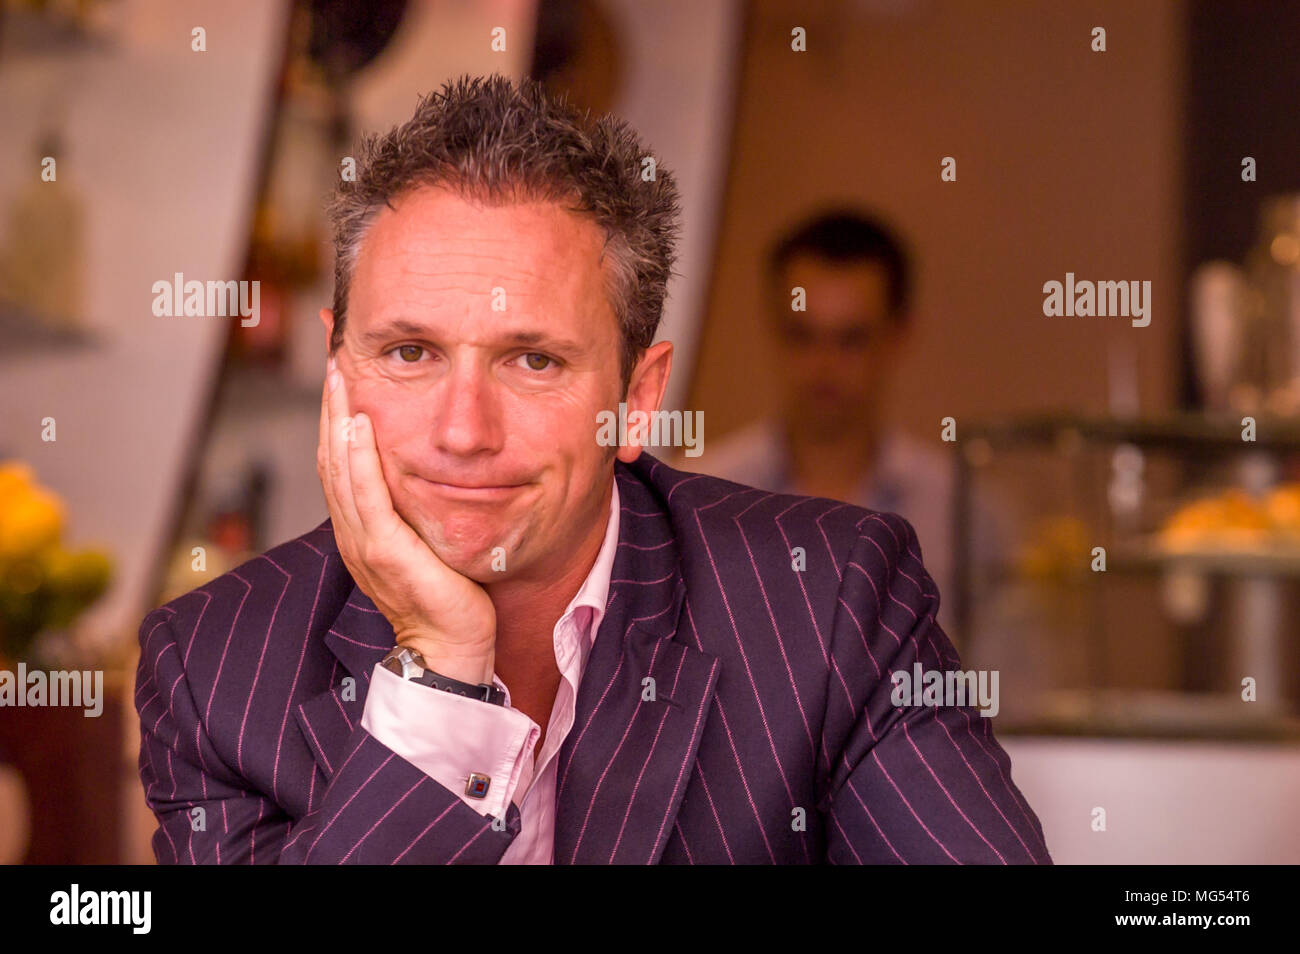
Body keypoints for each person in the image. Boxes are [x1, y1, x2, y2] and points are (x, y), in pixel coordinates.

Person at [134, 74, 1050, 864]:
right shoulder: (215, 665)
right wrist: (444, 684)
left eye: (533, 360)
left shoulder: (831, 602)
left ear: (636, 401)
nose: (463, 432)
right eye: (410, 352)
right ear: (338, 372)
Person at [678, 210, 1013, 638]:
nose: (824, 366)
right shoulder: (698, 499)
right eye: (803, 335)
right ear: (772, 327)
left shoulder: (965, 514)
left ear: (898, 336)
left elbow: (1006, 690)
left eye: (851, 340)